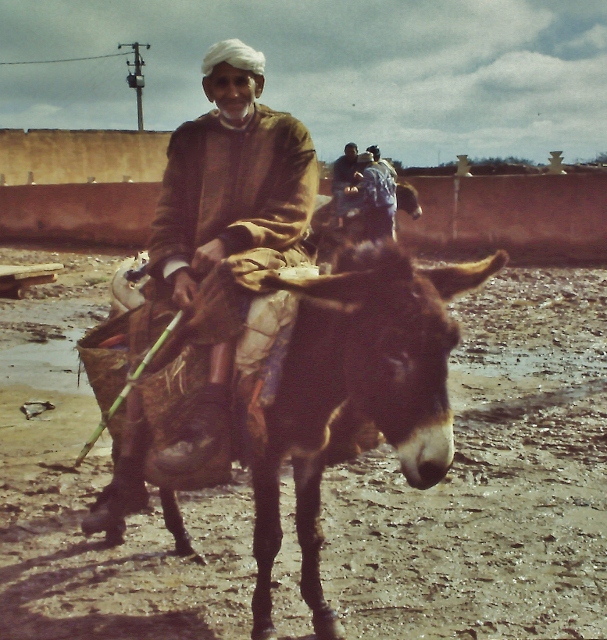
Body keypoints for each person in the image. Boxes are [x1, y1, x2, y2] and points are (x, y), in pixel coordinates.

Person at [82, 38, 319, 536]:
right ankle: (126, 477)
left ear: (259, 84)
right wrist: (174, 268)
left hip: (272, 249)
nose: (233, 91)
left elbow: (295, 213)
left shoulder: (290, 134)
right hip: (195, 260)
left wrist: (232, 239)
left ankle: (212, 410)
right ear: (209, 88)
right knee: (146, 325)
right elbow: (168, 214)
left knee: (232, 275)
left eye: (242, 81)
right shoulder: (190, 139)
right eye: (223, 82)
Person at [344, 150, 397, 242]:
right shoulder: (383, 168)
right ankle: (392, 252)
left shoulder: (368, 171)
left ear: (363, 164)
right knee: (389, 233)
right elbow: (385, 183)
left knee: (372, 234)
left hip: (379, 208)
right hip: (391, 205)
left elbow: (371, 192)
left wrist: (365, 208)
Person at [331, 142, 360, 223]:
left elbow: (366, 178)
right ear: (345, 152)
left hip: (358, 187)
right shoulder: (339, 163)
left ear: (357, 152)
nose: (350, 154)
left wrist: (358, 187)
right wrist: (347, 187)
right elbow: (336, 180)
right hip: (341, 187)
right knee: (341, 195)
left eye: (352, 152)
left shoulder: (361, 162)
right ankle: (341, 221)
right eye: (348, 152)